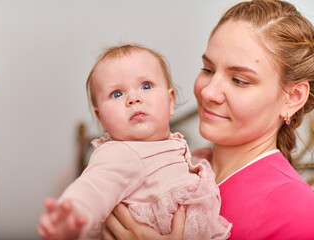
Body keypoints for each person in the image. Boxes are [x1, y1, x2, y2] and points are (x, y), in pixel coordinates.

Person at [101, 0, 314, 239]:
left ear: (293, 98)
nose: (208, 92)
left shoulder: (298, 211)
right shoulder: (184, 169)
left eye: (239, 80)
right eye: (208, 70)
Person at [36, 44, 232, 240]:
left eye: (146, 86)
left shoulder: (170, 147)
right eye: (117, 94)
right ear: (101, 118)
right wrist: (74, 214)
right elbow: (94, 187)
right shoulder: (120, 153)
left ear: (170, 100)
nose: (133, 98)